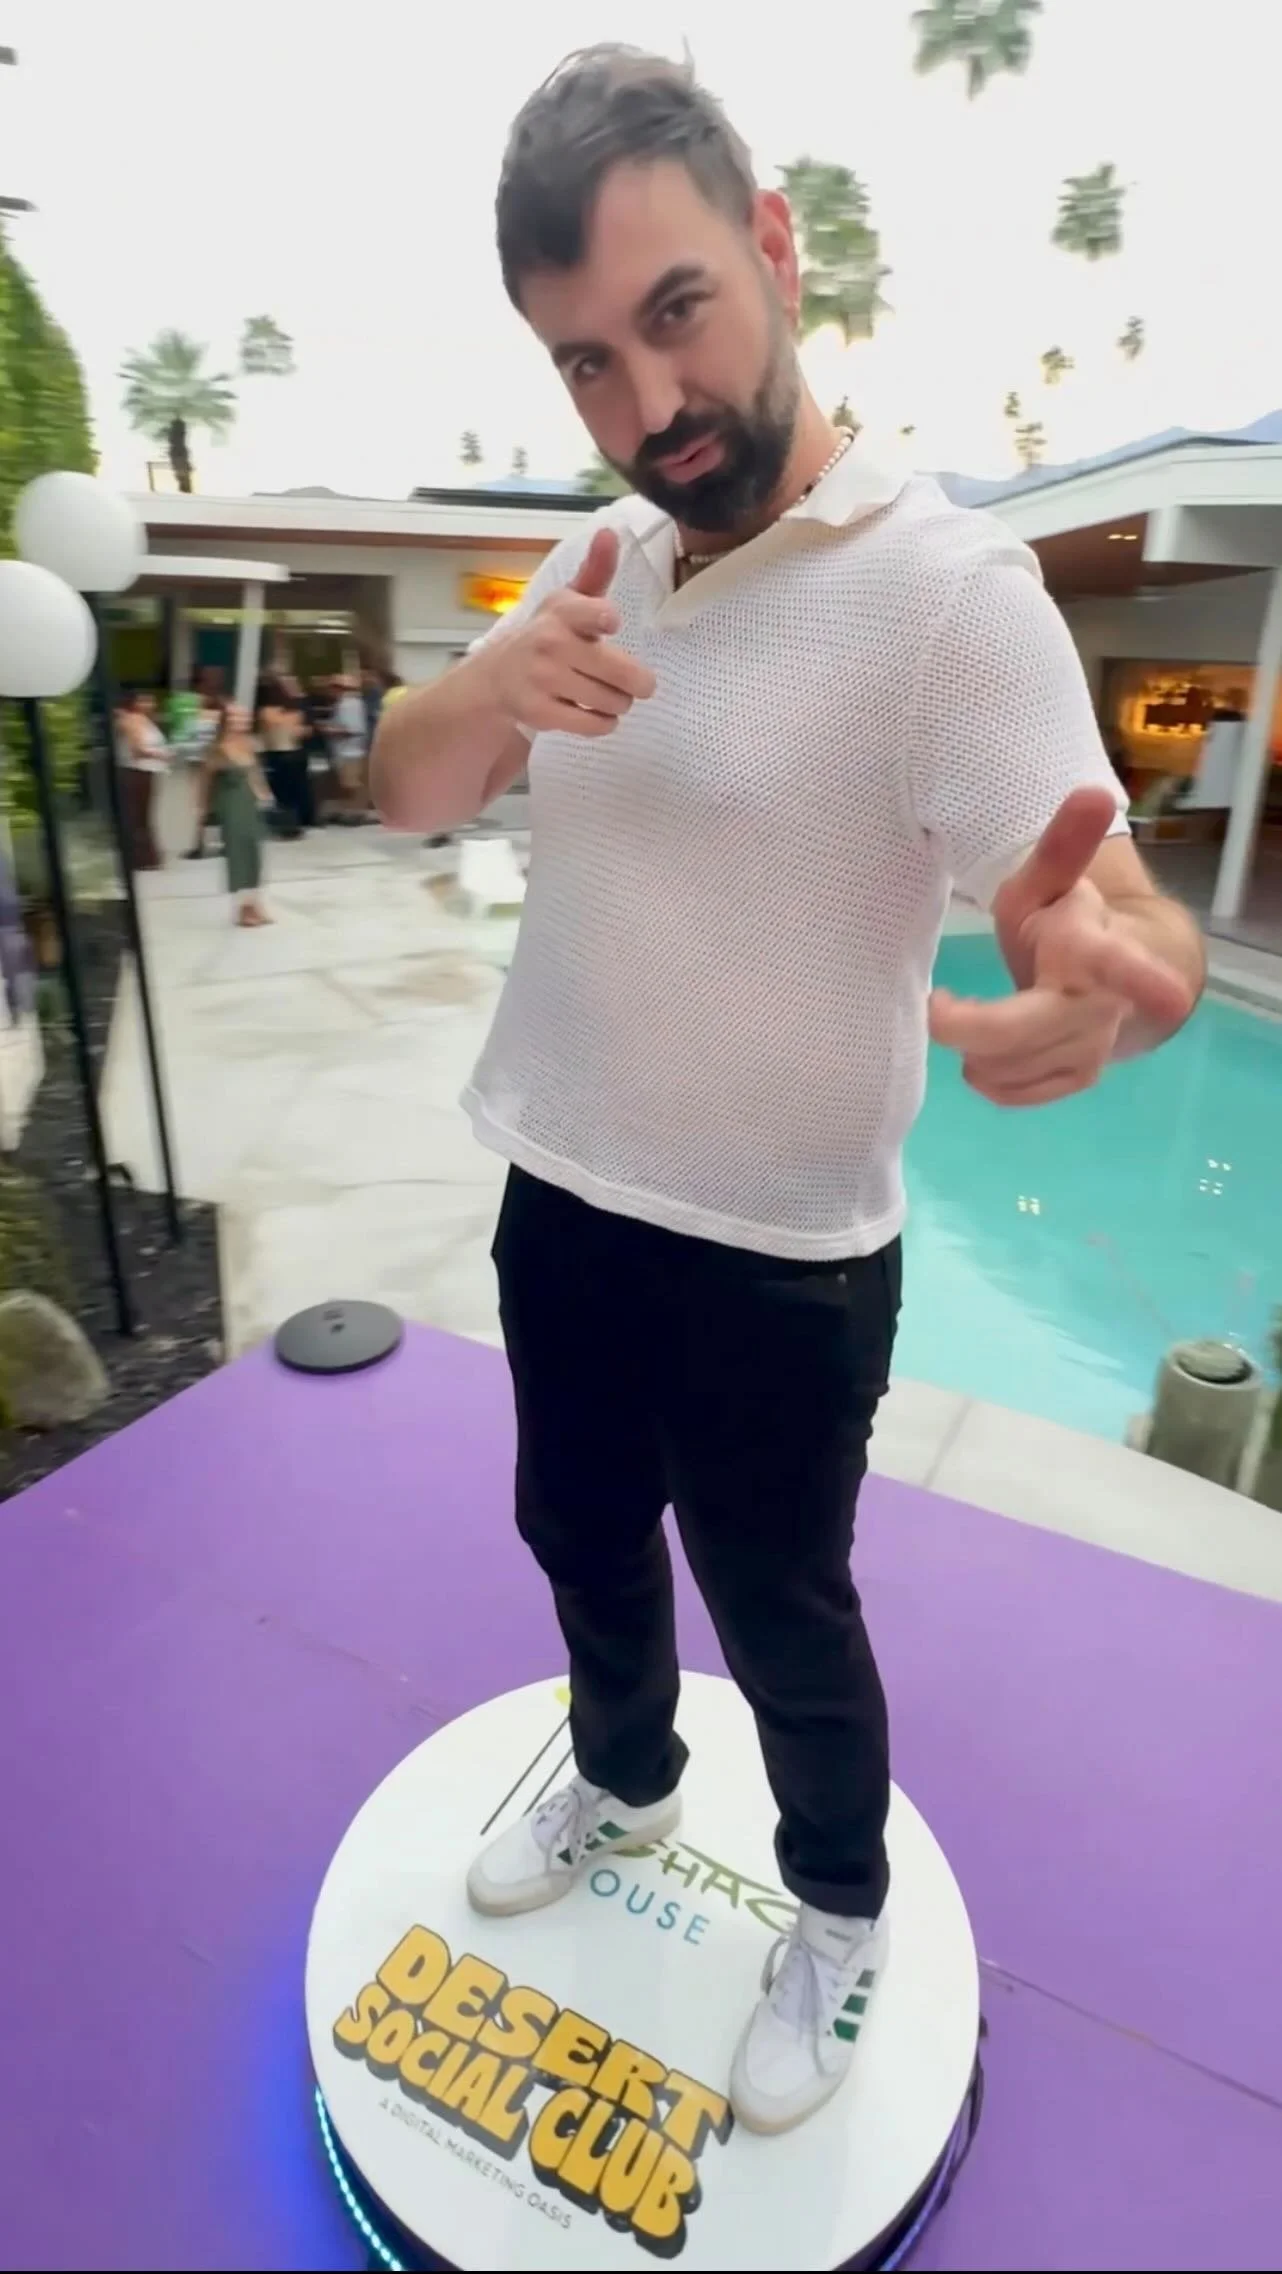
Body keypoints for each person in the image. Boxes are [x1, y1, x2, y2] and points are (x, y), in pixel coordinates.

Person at [372, 45, 1205, 2138]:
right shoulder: (600, 558)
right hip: (563, 1187)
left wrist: (1111, 974)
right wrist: (481, 681)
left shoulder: (942, 597)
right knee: (575, 1529)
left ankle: (834, 1908)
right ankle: (622, 1776)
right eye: (586, 361)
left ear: (771, 247)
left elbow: (1094, 889)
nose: (650, 403)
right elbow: (405, 788)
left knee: (782, 1617)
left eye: (675, 313)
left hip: (775, 1258)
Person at [198, 702, 272, 926]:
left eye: (244, 717)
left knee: (254, 850)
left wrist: (264, 792)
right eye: (236, 717)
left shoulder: (248, 743)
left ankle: (255, 904)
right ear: (226, 720)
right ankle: (242, 908)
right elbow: (205, 779)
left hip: (250, 802)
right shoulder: (218, 748)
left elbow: (254, 771)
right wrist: (202, 807)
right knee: (238, 852)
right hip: (230, 804)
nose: (242, 721)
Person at [113, 689, 169, 870]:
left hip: (147, 772)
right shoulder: (132, 720)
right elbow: (137, 750)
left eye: (151, 701)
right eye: (144, 701)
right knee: (138, 816)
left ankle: (145, 857)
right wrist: (162, 754)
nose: (149, 705)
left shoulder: (147, 720)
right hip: (136, 772)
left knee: (143, 816)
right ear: (134, 703)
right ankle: (141, 858)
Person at [256, 674, 311, 834]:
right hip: (291, 752)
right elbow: (299, 732)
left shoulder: (267, 713)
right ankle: (296, 821)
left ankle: (289, 823)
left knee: (284, 792)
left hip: (281, 753)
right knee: (295, 790)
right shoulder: (294, 712)